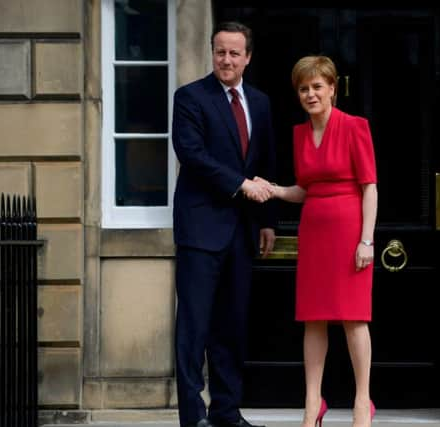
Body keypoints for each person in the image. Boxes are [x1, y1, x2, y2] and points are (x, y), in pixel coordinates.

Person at [259, 55, 378, 427]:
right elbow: (306, 191)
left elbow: (369, 187)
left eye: (316, 87)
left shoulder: (356, 127)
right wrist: (275, 190)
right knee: (313, 319)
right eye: (303, 89)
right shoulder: (298, 134)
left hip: (349, 234)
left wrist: (367, 240)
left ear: (332, 90)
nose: (310, 94)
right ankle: (313, 403)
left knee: (354, 318)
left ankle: (362, 402)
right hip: (314, 234)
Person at [171, 21, 277, 427]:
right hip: (200, 231)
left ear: (248, 57)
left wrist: (267, 220)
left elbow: (266, 161)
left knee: (231, 329)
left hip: (243, 232)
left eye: (234, 53)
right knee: (193, 331)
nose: (226, 60)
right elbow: (192, 154)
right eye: (220, 52)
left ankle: (227, 413)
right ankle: (193, 417)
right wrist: (240, 184)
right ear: (211, 53)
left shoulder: (261, 102)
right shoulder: (190, 97)